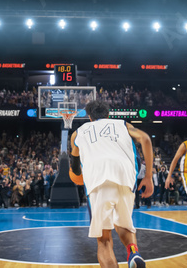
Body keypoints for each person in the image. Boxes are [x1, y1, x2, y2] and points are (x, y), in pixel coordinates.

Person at [70, 100, 153, 268]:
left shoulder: (77, 133)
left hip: (98, 178)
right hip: (125, 175)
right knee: (124, 223)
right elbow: (145, 138)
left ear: (89, 117)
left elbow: (75, 167)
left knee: (104, 240)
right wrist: (148, 176)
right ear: (108, 115)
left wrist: (77, 175)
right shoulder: (122, 124)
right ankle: (133, 252)